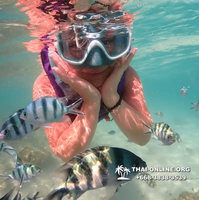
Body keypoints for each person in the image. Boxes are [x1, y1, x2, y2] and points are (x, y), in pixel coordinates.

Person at [32, 0, 153, 162]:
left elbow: (143, 137)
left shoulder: (123, 73)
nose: (95, 61)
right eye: (76, 45)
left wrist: (111, 96)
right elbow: (63, 151)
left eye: (107, 41)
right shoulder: (48, 85)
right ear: (59, 50)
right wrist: (91, 101)